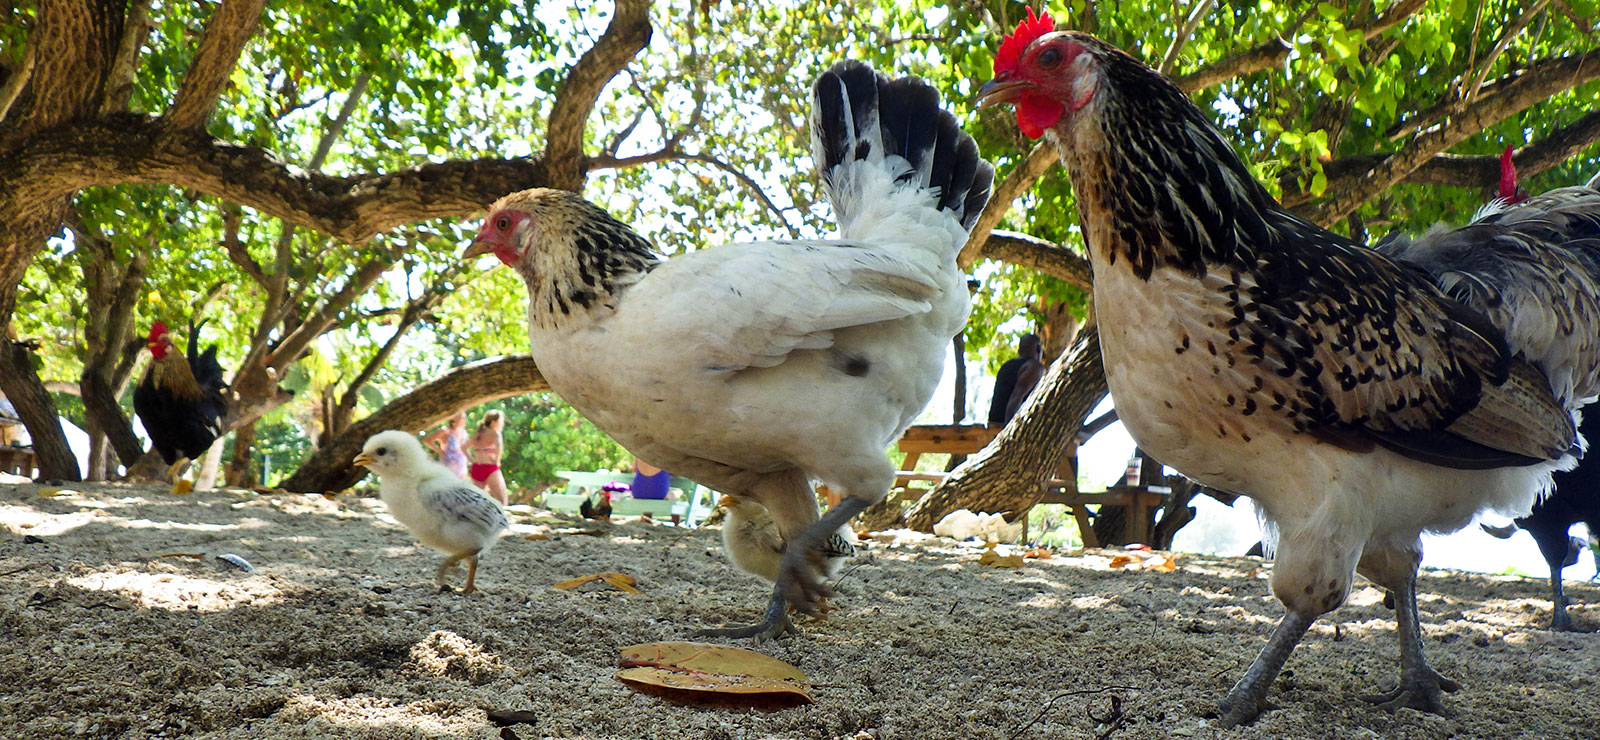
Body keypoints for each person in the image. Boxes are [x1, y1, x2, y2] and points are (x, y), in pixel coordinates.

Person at [988, 333, 1045, 427]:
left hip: (994, 424)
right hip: (1009, 425)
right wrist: (1008, 429)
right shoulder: (1034, 367)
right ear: (1038, 349)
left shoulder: (1006, 366)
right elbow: (1017, 395)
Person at [464, 410, 510, 505]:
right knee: (502, 500)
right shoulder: (495, 433)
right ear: (493, 422)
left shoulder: (478, 434)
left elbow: (463, 447)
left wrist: (472, 460)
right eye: (501, 421)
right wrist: (497, 461)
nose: (502, 424)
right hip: (489, 468)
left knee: (478, 501)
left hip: (476, 468)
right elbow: (499, 447)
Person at [422, 410, 470, 479]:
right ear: (453, 419)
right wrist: (439, 451)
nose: (465, 420)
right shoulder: (445, 430)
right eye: (462, 418)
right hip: (448, 465)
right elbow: (427, 440)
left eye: (465, 417)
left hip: (462, 465)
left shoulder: (463, 431)